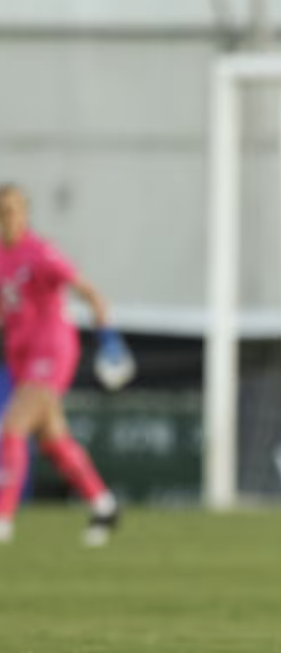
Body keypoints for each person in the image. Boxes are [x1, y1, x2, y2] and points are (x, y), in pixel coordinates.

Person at [0, 184, 120, 547]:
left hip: (51, 351)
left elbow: (88, 291)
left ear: (25, 214)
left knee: (13, 427)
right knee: (53, 440)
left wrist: (109, 339)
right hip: (21, 356)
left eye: (13, 210)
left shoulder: (39, 253)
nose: (7, 218)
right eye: (2, 211)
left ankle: (3, 518)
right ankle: (104, 504)